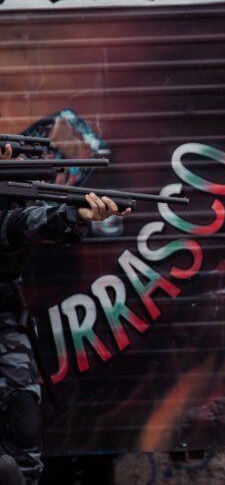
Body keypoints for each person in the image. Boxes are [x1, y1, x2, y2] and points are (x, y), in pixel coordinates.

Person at [0, 144, 128, 485]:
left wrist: (73, 215)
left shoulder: (10, 183)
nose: (8, 151)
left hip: (4, 321)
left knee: (24, 420)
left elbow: (21, 224)